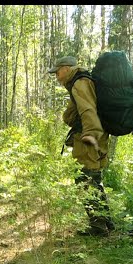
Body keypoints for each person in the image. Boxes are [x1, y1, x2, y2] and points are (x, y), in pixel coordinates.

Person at [49, 56, 115, 236]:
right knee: (94, 178)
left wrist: (91, 136)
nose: (57, 76)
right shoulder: (80, 82)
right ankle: (105, 222)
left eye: (57, 72)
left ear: (66, 68)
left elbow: (88, 110)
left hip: (89, 138)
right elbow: (74, 112)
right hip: (93, 135)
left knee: (86, 179)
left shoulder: (80, 83)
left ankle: (98, 227)